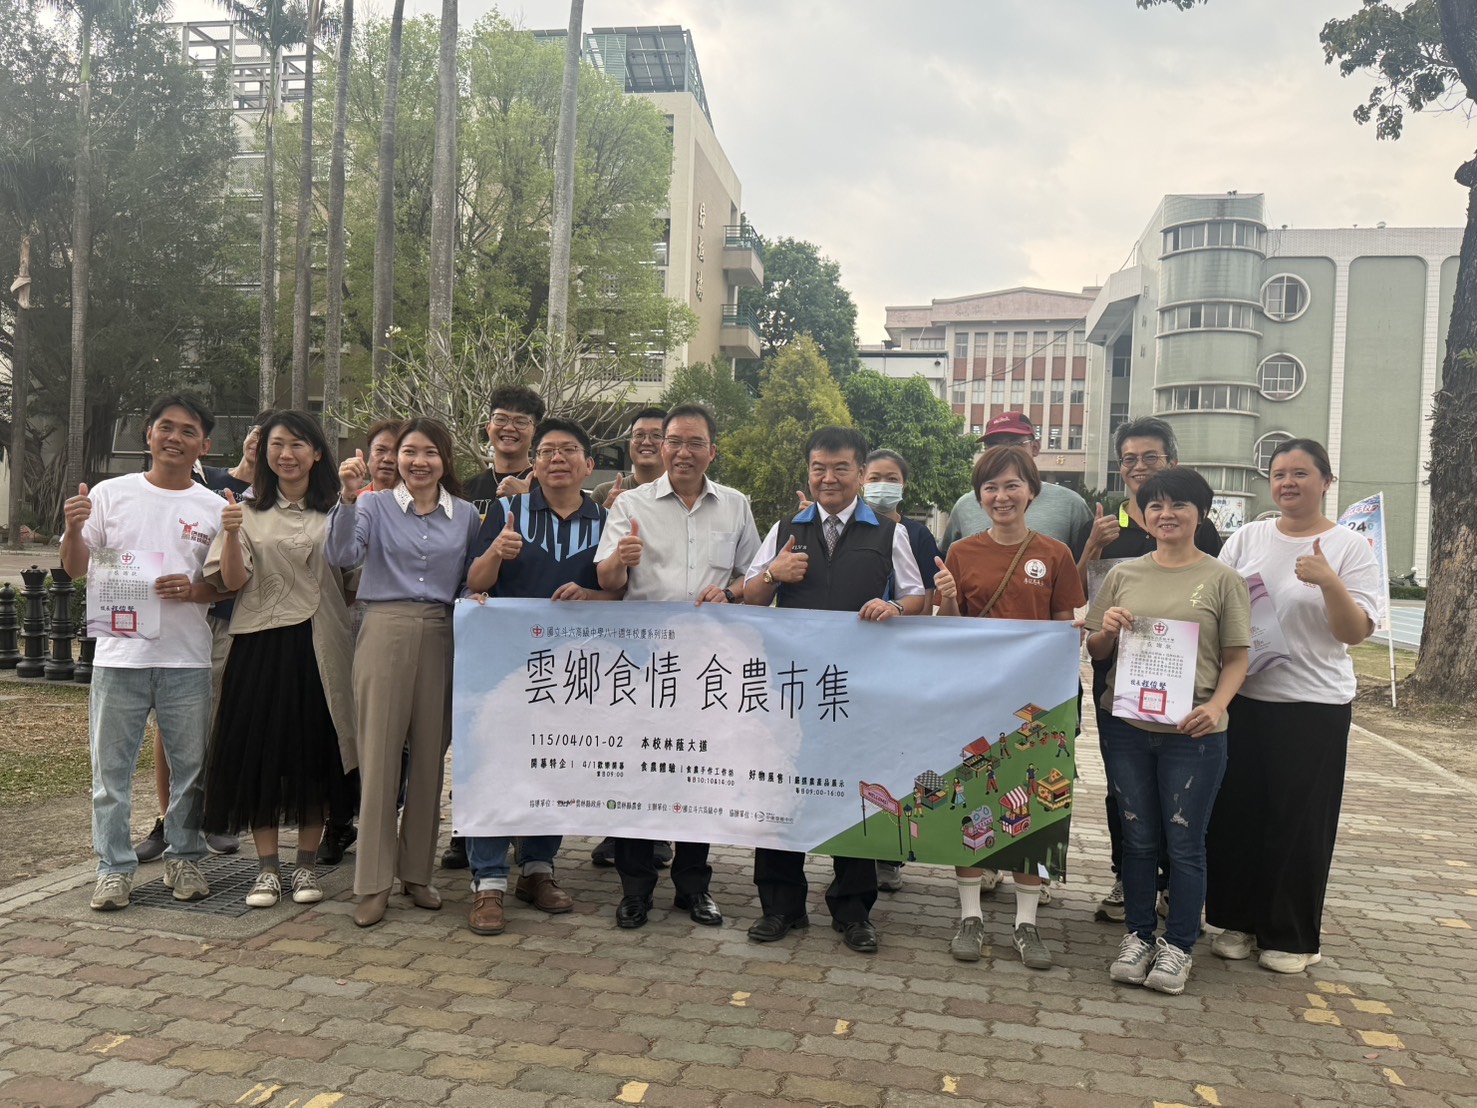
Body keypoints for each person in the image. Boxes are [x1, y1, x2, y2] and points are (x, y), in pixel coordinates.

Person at [743, 426, 927, 955]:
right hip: (791, 689)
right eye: (819, 468)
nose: (829, 478)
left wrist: (894, 606)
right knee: (783, 789)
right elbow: (751, 598)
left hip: (858, 690)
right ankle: (780, 906)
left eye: (841, 468)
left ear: (861, 473)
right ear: (809, 472)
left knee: (854, 795)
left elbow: (918, 597)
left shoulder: (888, 533)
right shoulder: (785, 530)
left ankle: (853, 911)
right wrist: (774, 574)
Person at [1206, 439, 1381, 974]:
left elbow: (1355, 632)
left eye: (1301, 473)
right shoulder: (1248, 537)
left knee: (1300, 821)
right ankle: (1237, 921)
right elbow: (1212, 601)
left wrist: (1329, 583)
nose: (1287, 482)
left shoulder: (1349, 547)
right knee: (1238, 815)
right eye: (1279, 473)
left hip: (1313, 705)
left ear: (1326, 481)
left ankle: (1291, 936)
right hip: (1245, 698)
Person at [594, 403, 761, 931]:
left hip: (707, 666)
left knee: (697, 775)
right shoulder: (631, 504)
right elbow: (606, 581)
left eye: (694, 443)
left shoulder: (735, 505)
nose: (682, 452)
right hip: (643, 666)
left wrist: (731, 592)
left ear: (713, 451)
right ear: (661, 447)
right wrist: (620, 559)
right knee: (638, 774)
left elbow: (753, 578)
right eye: (674, 441)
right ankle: (635, 889)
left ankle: (693, 887)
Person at [1084, 467, 1250, 996]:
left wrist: (1217, 707)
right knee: (1138, 839)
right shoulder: (1124, 574)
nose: (1166, 514)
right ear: (1143, 515)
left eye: (1179, 505)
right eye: (1155, 505)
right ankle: (1137, 936)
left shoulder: (1223, 579)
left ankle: (1178, 945)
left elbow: (1237, 658)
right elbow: (1095, 649)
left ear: (1201, 514)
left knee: (1184, 842)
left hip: (1193, 734)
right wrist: (1107, 631)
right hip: (1128, 728)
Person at [61, 393, 226, 911]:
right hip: (119, 658)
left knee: (191, 771)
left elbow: (227, 584)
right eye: (166, 427)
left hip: (186, 659)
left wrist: (195, 591)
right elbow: (75, 568)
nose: (175, 437)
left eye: (188, 430)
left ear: (204, 445)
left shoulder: (214, 507)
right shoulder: (110, 495)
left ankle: (184, 857)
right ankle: (113, 869)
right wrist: (72, 528)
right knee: (110, 776)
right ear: (148, 433)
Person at [461, 417, 619, 935]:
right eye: (548, 450)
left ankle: (537, 868)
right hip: (505, 665)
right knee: (494, 761)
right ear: (535, 463)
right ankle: (488, 881)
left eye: (569, 450)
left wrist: (591, 595)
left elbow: (621, 596)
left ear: (588, 465)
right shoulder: (508, 512)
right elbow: (474, 582)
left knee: (556, 761)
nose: (557, 459)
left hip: (574, 670)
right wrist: (494, 553)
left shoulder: (607, 521)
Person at [933, 445, 1085, 969]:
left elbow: (1065, 631)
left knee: (1035, 806)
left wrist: (1073, 633)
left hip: (1037, 706)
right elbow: (950, 632)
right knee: (972, 800)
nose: (1002, 496)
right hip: (975, 700)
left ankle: (1026, 924)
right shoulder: (961, 553)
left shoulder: (1056, 555)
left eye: (1012, 485)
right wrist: (947, 596)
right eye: (991, 487)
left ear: (1032, 492)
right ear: (979, 497)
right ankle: (970, 917)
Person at [327, 417, 481, 927]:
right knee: (380, 758)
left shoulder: (466, 516)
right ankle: (373, 883)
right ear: (395, 458)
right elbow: (342, 553)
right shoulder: (372, 504)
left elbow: (469, 578)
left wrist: (474, 595)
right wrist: (347, 499)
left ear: (445, 460)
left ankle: (417, 874)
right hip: (384, 627)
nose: (419, 461)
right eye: (409, 451)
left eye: (430, 452)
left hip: (442, 631)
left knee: (430, 759)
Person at [201, 411, 356, 909]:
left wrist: (355, 505)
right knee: (260, 754)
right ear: (264, 452)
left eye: (297, 444)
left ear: (317, 452)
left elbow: (356, 579)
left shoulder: (337, 510)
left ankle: (306, 863)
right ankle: (267, 868)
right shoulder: (244, 510)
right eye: (276, 444)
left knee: (314, 755)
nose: (286, 454)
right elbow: (232, 581)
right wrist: (230, 533)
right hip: (259, 646)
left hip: (321, 646)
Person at [1077, 416, 1223, 924]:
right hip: (1120, 686)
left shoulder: (1202, 531)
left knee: (1181, 797)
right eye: (1129, 460)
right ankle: (1128, 877)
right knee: (1125, 792)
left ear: (1172, 461)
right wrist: (1092, 548)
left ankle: (1173, 887)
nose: (1138, 467)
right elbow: (1076, 600)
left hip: (1186, 694)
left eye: (1150, 457)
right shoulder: (1106, 530)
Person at [134, 413, 273, 864]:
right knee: (171, 724)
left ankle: (215, 816)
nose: (260, 444)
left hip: (241, 621)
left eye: (274, 440)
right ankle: (168, 819)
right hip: (188, 621)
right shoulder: (207, 481)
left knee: (224, 722)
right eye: (257, 434)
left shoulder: (277, 497)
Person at [588, 406, 672, 870]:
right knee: (622, 740)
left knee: (666, 743)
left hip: (677, 642)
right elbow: (604, 573)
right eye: (638, 433)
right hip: (621, 638)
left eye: (656, 434)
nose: (646, 441)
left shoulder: (694, 496)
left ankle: (659, 836)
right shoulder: (609, 494)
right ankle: (616, 832)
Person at [320, 417, 404, 868]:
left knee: (398, 734)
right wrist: (349, 498)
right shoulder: (354, 502)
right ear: (366, 457)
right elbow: (337, 558)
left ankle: (386, 822)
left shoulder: (429, 507)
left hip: (403, 633)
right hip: (351, 627)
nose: (388, 459)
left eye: (398, 450)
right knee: (346, 726)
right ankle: (339, 821)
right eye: (380, 451)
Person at [858, 447, 941, 894]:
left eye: (891, 478)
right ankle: (853, 852)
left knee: (892, 758)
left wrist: (896, 609)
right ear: (861, 481)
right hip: (850, 663)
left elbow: (925, 599)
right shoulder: (846, 526)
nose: (881, 485)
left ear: (904, 485)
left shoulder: (916, 534)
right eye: (874, 477)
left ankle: (889, 857)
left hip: (899, 660)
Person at [940, 412, 1093, 559]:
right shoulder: (964, 506)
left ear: (1035, 448)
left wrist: (1096, 545)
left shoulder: (1071, 504)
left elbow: (1091, 568)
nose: (1005, 452)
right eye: (994, 446)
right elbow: (945, 563)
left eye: (1016, 444)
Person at [462, 385, 545, 518]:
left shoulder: (548, 487)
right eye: (501, 419)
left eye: (520, 422)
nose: (509, 428)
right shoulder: (465, 489)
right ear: (488, 428)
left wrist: (524, 500)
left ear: (535, 433)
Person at [591, 406, 667, 508]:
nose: (646, 442)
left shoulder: (683, 494)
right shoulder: (603, 493)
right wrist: (607, 511)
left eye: (656, 435)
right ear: (630, 442)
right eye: (639, 435)